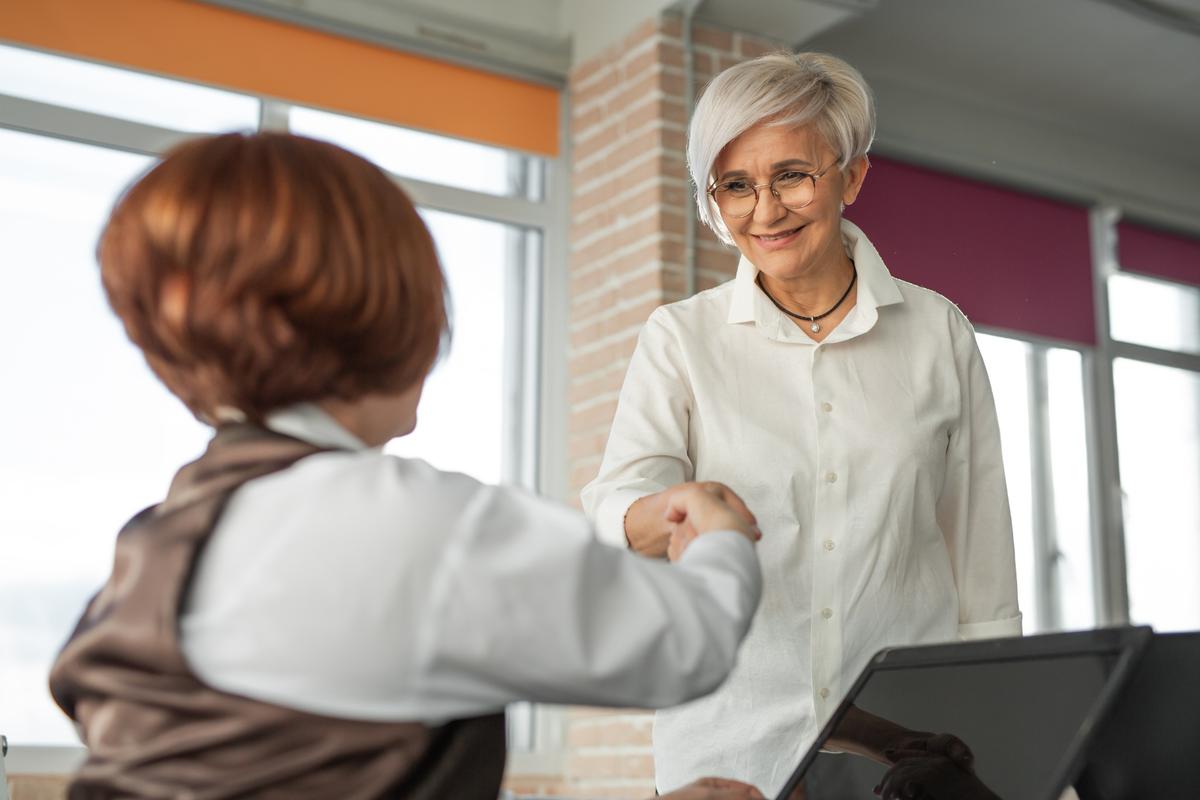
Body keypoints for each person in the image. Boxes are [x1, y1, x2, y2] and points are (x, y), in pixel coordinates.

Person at [48, 132, 767, 800]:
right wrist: (720, 535)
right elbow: (687, 644)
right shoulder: (409, 524)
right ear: (391, 313)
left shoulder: (154, 545)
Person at [582, 51, 1022, 795]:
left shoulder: (937, 332)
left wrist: (1001, 748)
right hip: (730, 754)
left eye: (792, 174)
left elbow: (981, 565)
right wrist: (667, 512)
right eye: (735, 186)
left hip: (907, 756)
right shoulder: (682, 339)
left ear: (850, 176)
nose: (765, 210)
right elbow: (614, 508)